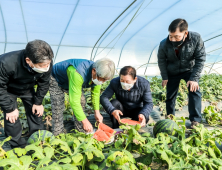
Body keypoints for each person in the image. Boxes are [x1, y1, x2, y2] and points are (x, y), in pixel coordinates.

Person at [0, 40, 54, 148]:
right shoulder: (6, 62)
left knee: (36, 113)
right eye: (42, 65)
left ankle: (38, 141)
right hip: (9, 90)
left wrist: (38, 102)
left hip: (28, 88)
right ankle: (17, 146)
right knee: (12, 118)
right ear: (28, 60)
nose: (46, 67)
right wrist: (9, 109)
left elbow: (44, 83)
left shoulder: (47, 61)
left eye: (48, 64)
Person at [157, 18, 206, 128]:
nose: (173, 40)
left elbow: (200, 58)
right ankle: (170, 118)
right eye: (171, 36)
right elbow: (161, 60)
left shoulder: (196, 38)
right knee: (170, 95)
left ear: (185, 33)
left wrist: (194, 78)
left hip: (189, 70)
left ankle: (195, 120)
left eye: (177, 36)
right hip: (172, 71)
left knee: (194, 91)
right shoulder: (164, 44)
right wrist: (164, 76)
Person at [50, 58, 115, 136]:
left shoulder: (99, 73)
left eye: (105, 80)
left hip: (71, 80)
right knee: (58, 105)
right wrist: (85, 121)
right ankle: (57, 134)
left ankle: (81, 131)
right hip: (56, 79)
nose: (103, 82)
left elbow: (95, 94)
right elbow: (74, 101)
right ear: (94, 71)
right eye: (102, 79)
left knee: (82, 101)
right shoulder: (78, 72)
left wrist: (97, 113)